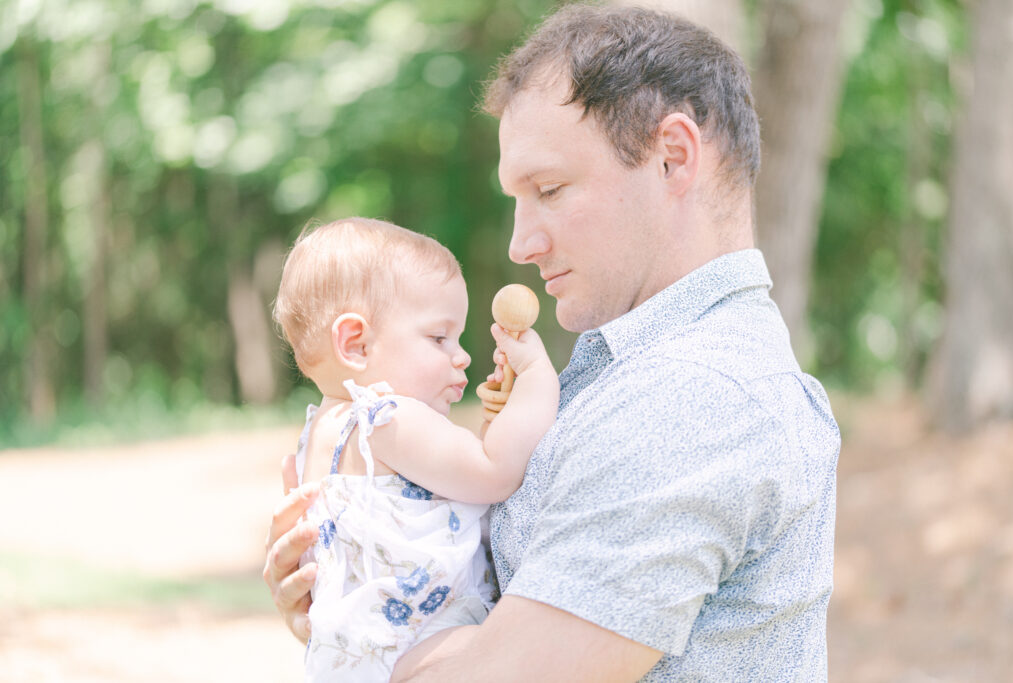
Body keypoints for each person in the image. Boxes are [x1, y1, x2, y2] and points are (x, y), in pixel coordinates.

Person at [265, 5, 841, 681]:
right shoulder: (628, 375)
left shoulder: (694, 398)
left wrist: (374, 656)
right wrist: (360, 599)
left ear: (673, 157)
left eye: (549, 189)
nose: (520, 243)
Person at [271, 217, 558, 681]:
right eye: (439, 338)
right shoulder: (385, 416)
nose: (461, 355)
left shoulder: (323, 432)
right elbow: (494, 471)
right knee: (531, 653)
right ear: (356, 344)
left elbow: (455, 477)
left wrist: (495, 423)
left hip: (361, 655)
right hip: (418, 647)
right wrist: (538, 379)